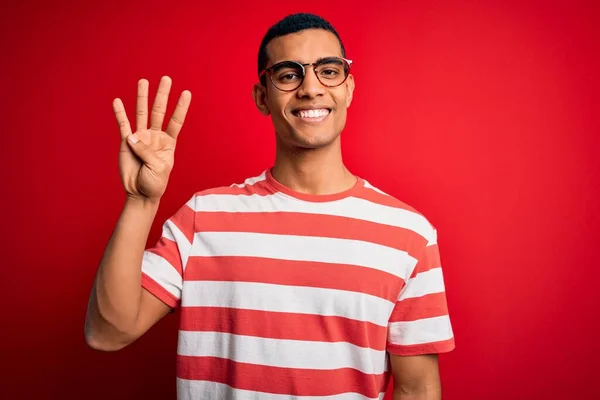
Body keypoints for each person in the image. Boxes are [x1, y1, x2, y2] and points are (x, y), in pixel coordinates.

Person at [84, 12, 455, 400]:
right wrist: (141, 202)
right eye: (289, 74)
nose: (311, 88)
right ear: (262, 97)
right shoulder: (204, 217)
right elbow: (107, 333)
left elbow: (417, 390)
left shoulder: (410, 234)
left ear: (348, 89)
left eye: (329, 70)